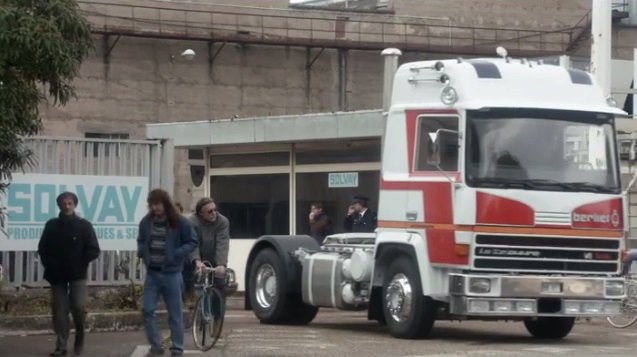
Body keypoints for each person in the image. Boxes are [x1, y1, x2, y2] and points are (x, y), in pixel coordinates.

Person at [37, 192, 101, 357]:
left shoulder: (84, 226)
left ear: (74, 205)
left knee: (78, 307)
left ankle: (79, 337)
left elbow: (94, 249)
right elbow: (43, 248)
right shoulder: (51, 225)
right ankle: (61, 345)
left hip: (77, 274)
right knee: (60, 310)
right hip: (56, 275)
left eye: (70, 203)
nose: (67, 206)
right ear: (59, 205)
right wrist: (50, 264)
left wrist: (81, 261)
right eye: (64, 203)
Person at [137, 189, 198, 357]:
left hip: (172, 274)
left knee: (175, 313)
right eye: (152, 205)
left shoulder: (179, 222)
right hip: (153, 274)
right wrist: (142, 251)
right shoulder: (146, 222)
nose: (155, 208)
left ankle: (177, 348)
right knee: (147, 309)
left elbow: (192, 241)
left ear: (165, 204)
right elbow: (141, 240)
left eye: (158, 204)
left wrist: (177, 254)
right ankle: (156, 345)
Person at [189, 198, 229, 296]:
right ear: (201, 214)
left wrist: (221, 264)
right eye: (210, 211)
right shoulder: (192, 222)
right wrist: (197, 260)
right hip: (196, 259)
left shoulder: (222, 222)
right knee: (188, 280)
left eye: (215, 210)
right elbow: (192, 243)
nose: (214, 213)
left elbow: (222, 243)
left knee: (220, 282)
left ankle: (218, 309)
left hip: (213, 259)